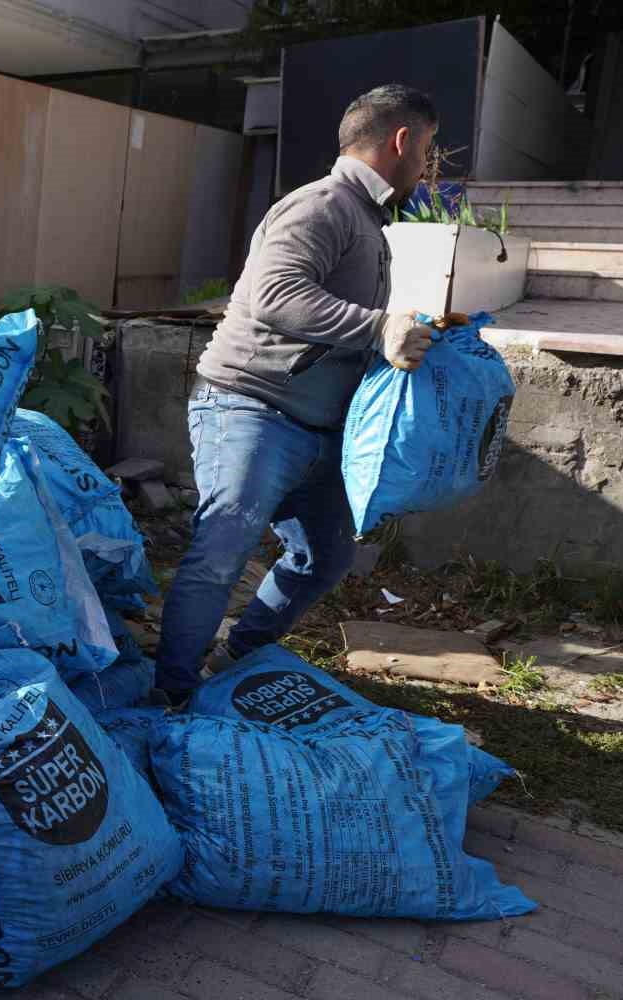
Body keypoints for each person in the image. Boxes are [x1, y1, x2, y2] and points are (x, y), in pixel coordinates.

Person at [154, 84, 443, 704]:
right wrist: (378, 325)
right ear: (402, 141)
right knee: (222, 549)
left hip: (316, 428)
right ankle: (170, 697)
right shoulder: (322, 205)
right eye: (427, 148)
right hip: (250, 408)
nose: (427, 164)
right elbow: (277, 297)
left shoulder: (367, 219)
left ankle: (234, 660)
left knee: (325, 556)